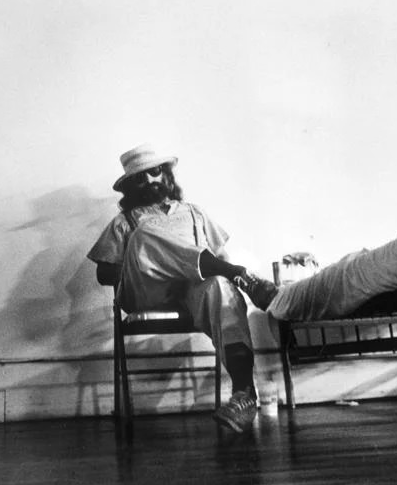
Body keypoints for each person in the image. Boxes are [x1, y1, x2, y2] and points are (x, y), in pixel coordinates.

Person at [88, 144, 273, 433]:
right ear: (130, 187)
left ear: (166, 174)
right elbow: (103, 273)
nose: (150, 181)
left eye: (155, 172)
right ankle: (240, 275)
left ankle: (244, 394)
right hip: (147, 291)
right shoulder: (125, 222)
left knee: (221, 288)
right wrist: (144, 257)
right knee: (146, 234)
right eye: (140, 178)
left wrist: (221, 274)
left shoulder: (194, 213)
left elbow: (219, 254)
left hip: (192, 292)